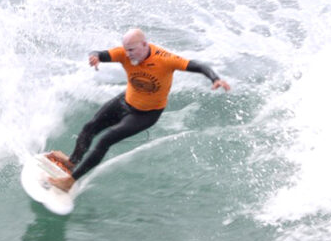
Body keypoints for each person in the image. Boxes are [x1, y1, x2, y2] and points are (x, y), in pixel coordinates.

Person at [47, 28, 231, 192]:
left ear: (144, 44)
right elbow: (99, 54)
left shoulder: (165, 60)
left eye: (132, 50)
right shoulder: (124, 53)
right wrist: (94, 56)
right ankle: (72, 162)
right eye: (126, 49)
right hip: (125, 101)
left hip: (146, 114)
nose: (128, 54)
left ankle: (69, 181)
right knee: (90, 126)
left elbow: (198, 65)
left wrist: (214, 78)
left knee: (105, 140)